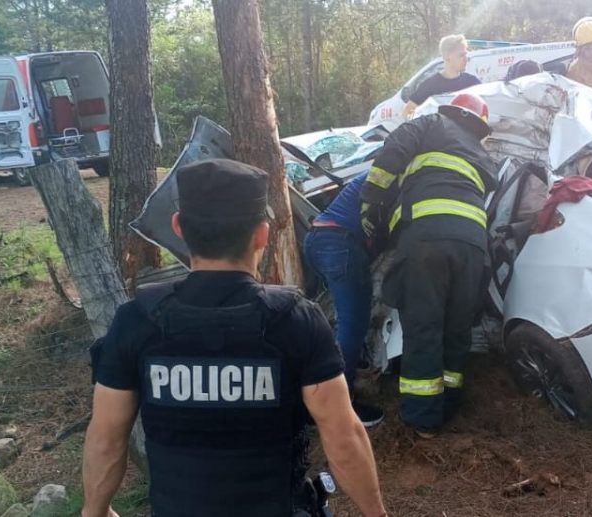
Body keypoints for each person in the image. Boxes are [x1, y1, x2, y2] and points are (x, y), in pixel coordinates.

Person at [81, 159, 387, 517]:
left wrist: (94, 512)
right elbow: (343, 436)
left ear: (178, 227)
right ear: (262, 234)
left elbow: (106, 437)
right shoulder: (297, 320)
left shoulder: (137, 320)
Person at [361, 94, 497, 438]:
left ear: (451, 111)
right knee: (457, 327)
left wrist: (371, 201)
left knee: (424, 326)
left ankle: (423, 418)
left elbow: (391, 153)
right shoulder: (483, 154)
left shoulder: (430, 123)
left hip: (426, 237)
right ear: (479, 126)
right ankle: (449, 403)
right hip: (473, 245)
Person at [303, 171, 385, 427]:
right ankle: (339, 406)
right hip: (339, 243)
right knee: (352, 325)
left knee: (340, 322)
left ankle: (321, 392)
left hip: (318, 238)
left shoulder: (381, 169)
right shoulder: (401, 171)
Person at [401, 34, 481, 120]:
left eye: (466, 54)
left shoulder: (473, 83)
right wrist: (426, 125)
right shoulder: (430, 85)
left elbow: (485, 113)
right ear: (447, 57)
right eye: (461, 55)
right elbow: (407, 112)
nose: (466, 59)